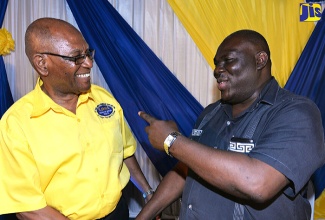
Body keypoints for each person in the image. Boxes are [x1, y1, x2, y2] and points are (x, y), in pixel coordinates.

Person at [136, 29, 325, 220]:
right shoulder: (211, 113)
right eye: (217, 63)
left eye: (228, 60)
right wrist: (144, 216)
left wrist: (172, 141)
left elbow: (258, 183)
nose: (217, 70)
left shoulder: (297, 112)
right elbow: (186, 168)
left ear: (260, 60)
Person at [0, 17, 154, 220]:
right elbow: (28, 208)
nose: (89, 63)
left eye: (88, 53)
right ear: (42, 64)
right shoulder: (16, 124)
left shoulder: (103, 99)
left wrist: (147, 192)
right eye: (76, 57)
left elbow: (124, 153)